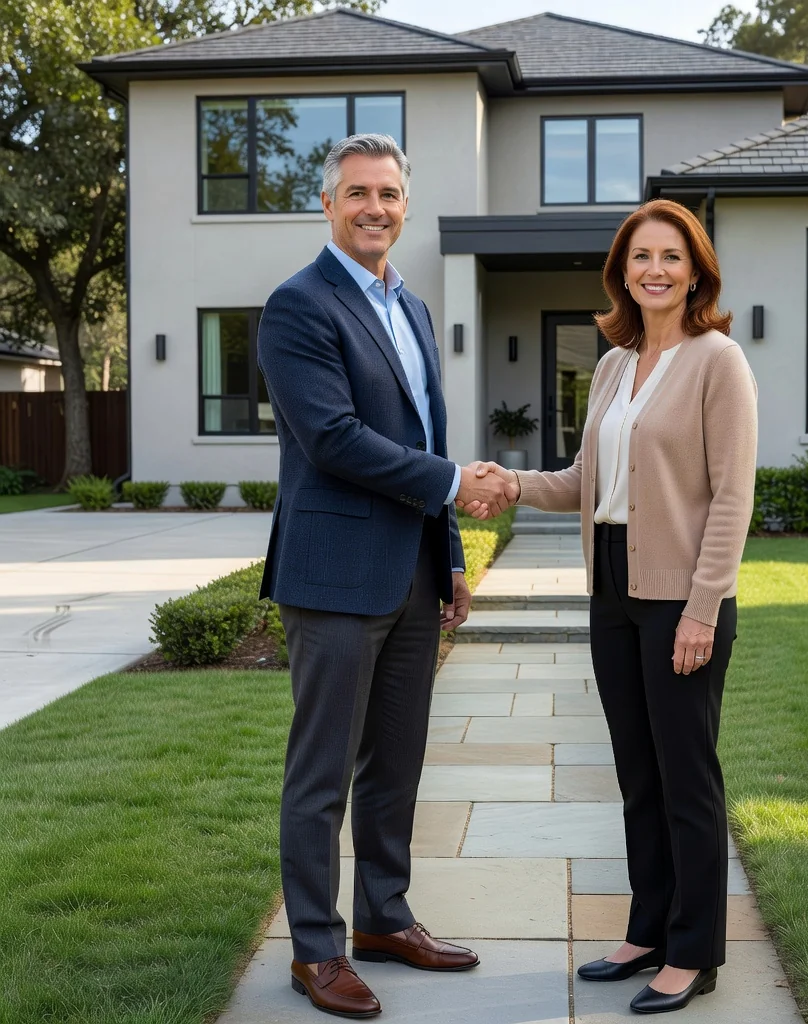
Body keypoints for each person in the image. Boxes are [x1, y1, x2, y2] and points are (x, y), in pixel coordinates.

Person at [463, 199, 757, 1015]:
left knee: (686, 778)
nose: (654, 270)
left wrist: (703, 608)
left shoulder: (718, 360)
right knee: (636, 774)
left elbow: (733, 496)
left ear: (695, 269)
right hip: (614, 588)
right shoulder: (614, 365)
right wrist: (510, 484)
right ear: (621, 273)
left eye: (670, 256)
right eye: (640, 258)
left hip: (682, 595)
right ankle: (648, 929)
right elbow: (586, 482)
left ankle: (693, 952)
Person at [257, 134, 510, 1019]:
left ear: (407, 206)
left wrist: (449, 559)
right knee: (321, 775)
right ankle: (317, 951)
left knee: (396, 762)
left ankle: (383, 918)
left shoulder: (412, 307)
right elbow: (331, 438)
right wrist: (452, 484)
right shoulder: (298, 307)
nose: (375, 208)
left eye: (391, 194)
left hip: (409, 571)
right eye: (358, 193)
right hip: (332, 576)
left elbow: (423, 436)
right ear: (327, 205)